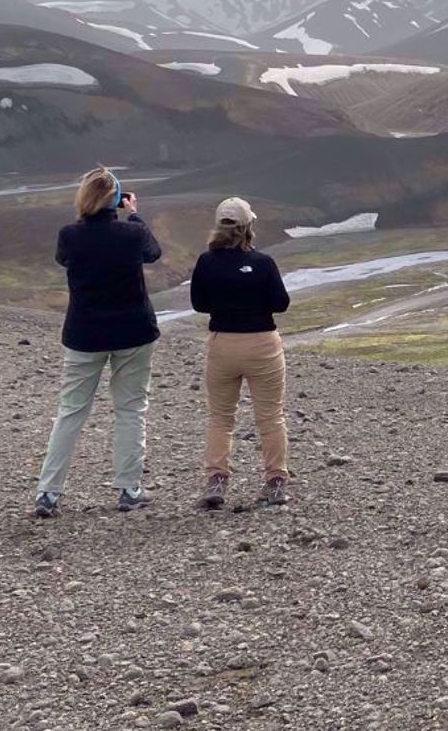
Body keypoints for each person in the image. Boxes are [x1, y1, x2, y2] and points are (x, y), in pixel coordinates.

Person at [35, 166, 163, 517]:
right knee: (131, 409)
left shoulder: (69, 236)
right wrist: (134, 215)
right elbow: (153, 252)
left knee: (71, 412)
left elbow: (63, 259)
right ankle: (129, 488)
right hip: (134, 331)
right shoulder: (131, 235)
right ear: (116, 200)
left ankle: (48, 493)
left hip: (84, 334)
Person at [189, 197, 293, 510]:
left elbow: (199, 304)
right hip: (262, 343)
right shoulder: (263, 263)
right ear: (249, 226)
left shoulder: (206, 262)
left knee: (221, 417)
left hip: (223, 344)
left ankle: (217, 479)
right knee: (271, 415)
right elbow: (281, 303)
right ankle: (276, 482)